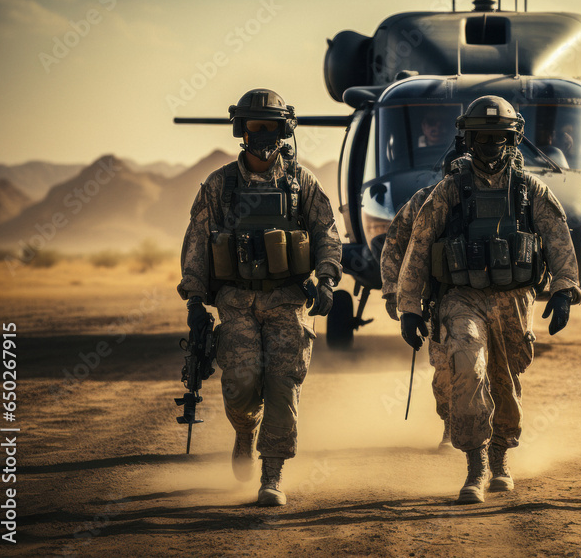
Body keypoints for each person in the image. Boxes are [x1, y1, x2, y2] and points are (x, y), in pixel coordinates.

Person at [396, 96, 581, 504]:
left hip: (514, 302)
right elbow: (419, 243)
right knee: (468, 366)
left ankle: (501, 460)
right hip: (461, 299)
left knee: (505, 384)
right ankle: (476, 467)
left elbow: (557, 237)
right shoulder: (449, 191)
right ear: (469, 138)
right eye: (483, 136)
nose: (491, 144)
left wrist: (566, 288)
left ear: (513, 138)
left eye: (499, 136)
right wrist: (408, 305)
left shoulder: (530, 190)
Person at [178, 88, 342, 507]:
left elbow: (327, 232)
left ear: (284, 130)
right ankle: (245, 432)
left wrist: (326, 280)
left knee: (283, 386)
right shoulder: (219, 186)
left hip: (288, 302)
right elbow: (197, 243)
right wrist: (195, 302)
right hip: (235, 304)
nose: (263, 135)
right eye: (255, 126)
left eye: (271, 126)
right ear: (242, 130)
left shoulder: (300, 182)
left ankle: (272, 475)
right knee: (240, 385)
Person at [379, 145, 466, 449]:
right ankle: (450, 424)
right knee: (444, 372)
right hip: (442, 301)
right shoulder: (424, 201)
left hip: (493, 299)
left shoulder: (509, 195)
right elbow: (396, 245)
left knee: (485, 370)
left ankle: (485, 437)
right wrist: (397, 294)